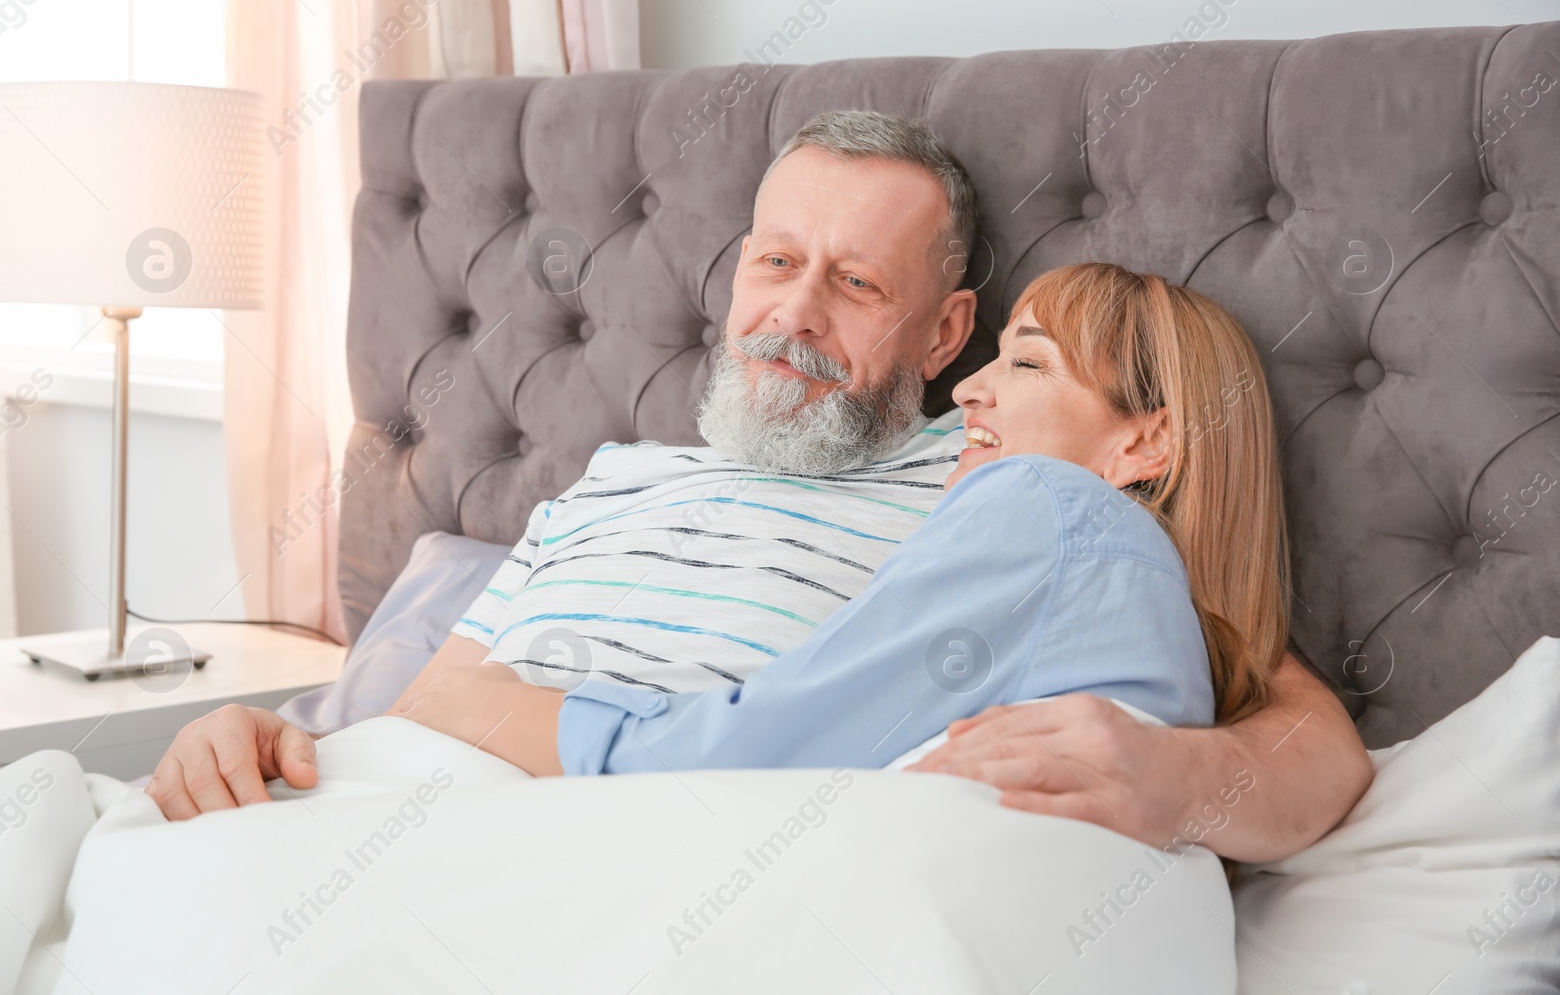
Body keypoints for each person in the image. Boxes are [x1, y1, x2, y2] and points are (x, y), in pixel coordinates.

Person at [147, 110, 1372, 863]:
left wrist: (1185, 780)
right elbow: (411, 707)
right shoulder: (609, 482)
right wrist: (259, 736)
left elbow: (1294, 719)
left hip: (639, 839)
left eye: (854, 284)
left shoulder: (1002, 474)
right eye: (776, 262)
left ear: (946, 332)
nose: (790, 313)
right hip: (384, 805)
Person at [387, 263, 1282, 781]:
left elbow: (761, 744)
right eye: (773, 260)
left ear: (1146, 441)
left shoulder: (1047, 503)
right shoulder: (1141, 593)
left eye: (1030, 366)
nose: (970, 388)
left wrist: (530, 720)